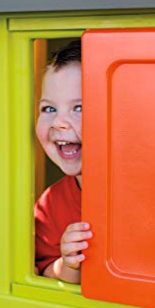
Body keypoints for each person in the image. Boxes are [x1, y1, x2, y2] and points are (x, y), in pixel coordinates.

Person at [35, 40, 93, 284]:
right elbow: (45, 271)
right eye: (49, 109)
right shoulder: (50, 206)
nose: (59, 122)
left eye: (78, 107)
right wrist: (68, 264)